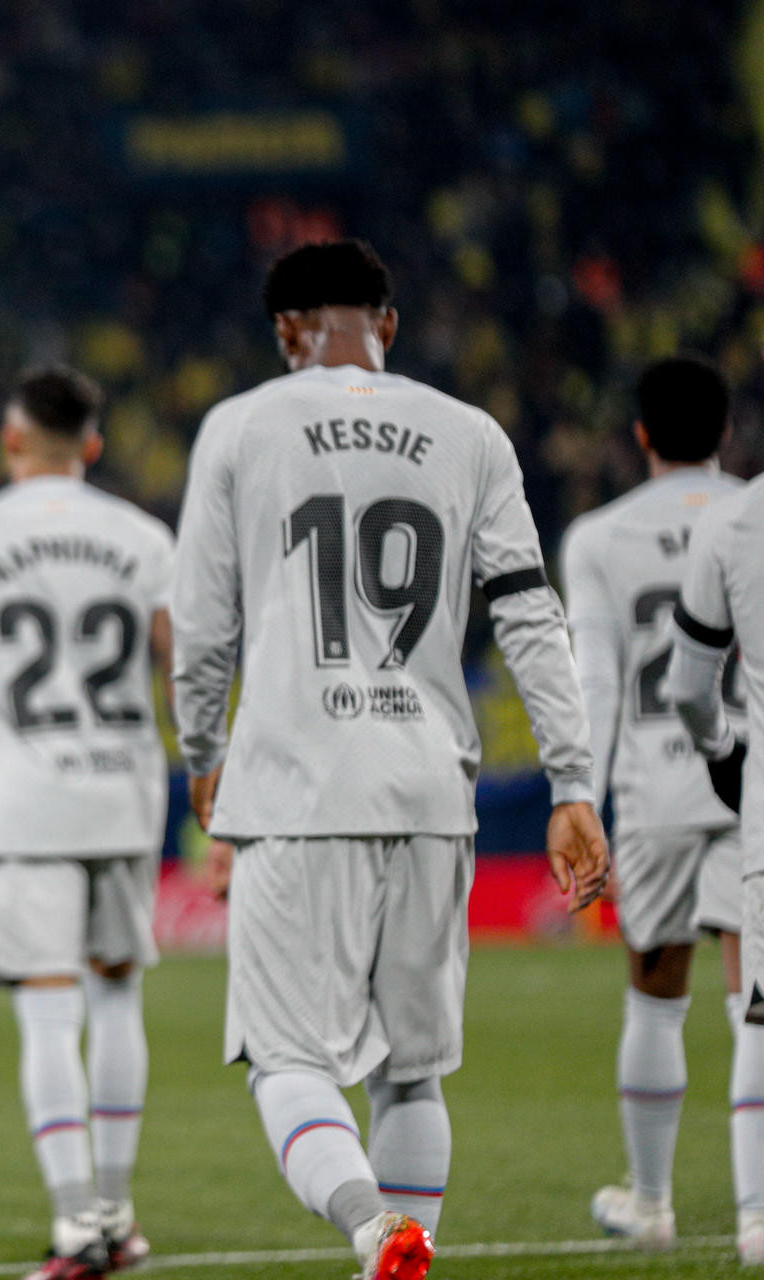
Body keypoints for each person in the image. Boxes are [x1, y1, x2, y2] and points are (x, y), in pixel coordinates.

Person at [169, 240, 609, 1280]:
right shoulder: (471, 433)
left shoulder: (240, 426)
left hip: (294, 780)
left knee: (287, 1058)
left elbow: (201, 621)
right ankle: (405, 1251)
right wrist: (573, 780)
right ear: (390, 324)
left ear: (286, 333)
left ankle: (374, 1226)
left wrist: (201, 751)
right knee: (412, 1076)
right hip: (428, 784)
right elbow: (531, 618)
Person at [0, 365, 172, 1279]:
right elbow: (183, 672)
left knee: (48, 1014)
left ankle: (74, 1223)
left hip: (21, 807)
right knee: (118, 996)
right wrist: (207, 779)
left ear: (12, 439)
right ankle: (120, 1214)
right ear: (92, 446)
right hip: (126, 795)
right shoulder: (144, 538)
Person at [560, 355, 751, 1247]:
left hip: (655, 787)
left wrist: (580, 802)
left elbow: (593, 685)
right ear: (726, 433)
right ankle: (758, 1207)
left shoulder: (598, 538)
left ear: (639, 435)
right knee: (752, 997)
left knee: (654, 995)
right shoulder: (752, 515)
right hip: (751, 775)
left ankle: (650, 1201)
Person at [665, 462, 763, 1265]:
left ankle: (759, 1221)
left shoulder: (735, 522)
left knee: (762, 1025)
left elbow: (691, 686)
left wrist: (725, 753)